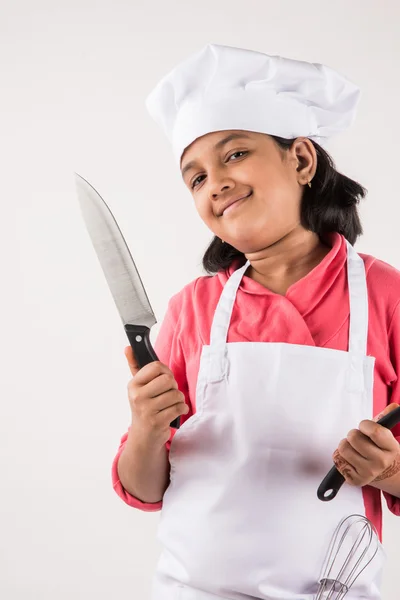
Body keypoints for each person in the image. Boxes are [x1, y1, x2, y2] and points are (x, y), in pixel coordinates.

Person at [111, 44, 400, 599]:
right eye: (194, 178)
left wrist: (386, 470)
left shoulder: (386, 297)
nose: (214, 182)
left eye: (235, 154)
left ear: (301, 160)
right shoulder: (190, 310)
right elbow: (145, 489)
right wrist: (146, 427)